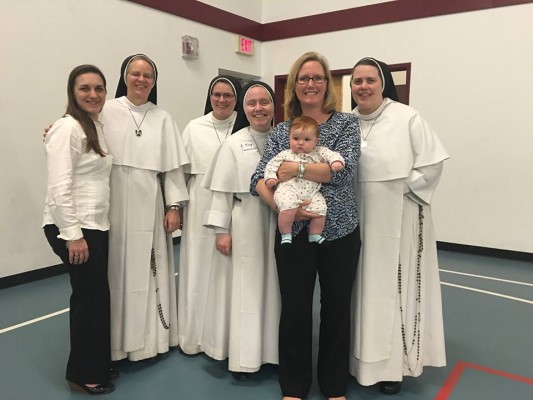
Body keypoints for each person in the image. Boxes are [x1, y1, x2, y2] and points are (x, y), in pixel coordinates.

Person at [251, 52, 361, 400]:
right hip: (293, 234)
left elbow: (343, 173)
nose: (310, 84)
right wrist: (285, 207)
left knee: (336, 309)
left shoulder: (346, 125)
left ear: (327, 84)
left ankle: (333, 386)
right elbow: (258, 179)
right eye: (303, 78)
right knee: (295, 309)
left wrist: (294, 170)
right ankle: (294, 387)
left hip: (340, 230)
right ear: (294, 86)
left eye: (317, 78)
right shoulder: (282, 130)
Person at [349, 57, 449, 394]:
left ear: (383, 83)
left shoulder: (407, 117)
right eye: (357, 81)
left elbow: (432, 166)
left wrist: (399, 188)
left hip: (399, 217)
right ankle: (356, 360)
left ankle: (393, 368)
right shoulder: (346, 122)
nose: (363, 86)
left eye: (370, 80)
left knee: (393, 289)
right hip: (354, 219)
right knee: (357, 288)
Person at [104, 54, 190, 361]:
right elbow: (77, 133)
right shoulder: (105, 110)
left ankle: (151, 342)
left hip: (150, 202)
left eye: (148, 75)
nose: (141, 80)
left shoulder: (163, 117)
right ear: (125, 76)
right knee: (115, 271)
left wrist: (174, 206)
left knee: (150, 270)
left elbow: (172, 170)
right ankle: (114, 343)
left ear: (154, 82)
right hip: (112, 201)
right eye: (135, 73)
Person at [42, 64, 115, 394]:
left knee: (96, 298)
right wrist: (73, 235)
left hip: (95, 225)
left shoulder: (94, 126)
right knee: (89, 299)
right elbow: (60, 186)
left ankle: (94, 364)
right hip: (74, 227)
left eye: (99, 88)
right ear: (73, 92)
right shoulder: (67, 128)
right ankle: (84, 374)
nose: (93, 94)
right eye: (85, 88)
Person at [202, 81, 280, 380]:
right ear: (244, 108)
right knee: (245, 291)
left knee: (275, 289)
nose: (258, 108)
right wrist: (221, 230)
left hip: (278, 222)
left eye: (264, 102)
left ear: (273, 106)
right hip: (245, 220)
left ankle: (272, 351)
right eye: (252, 103)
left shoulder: (285, 138)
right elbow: (221, 192)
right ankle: (245, 357)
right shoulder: (233, 143)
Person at [178, 76, 245, 359]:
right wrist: (175, 208)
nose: (221, 100)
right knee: (197, 268)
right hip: (199, 204)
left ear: (236, 98)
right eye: (216, 95)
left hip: (236, 206)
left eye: (228, 95)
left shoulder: (245, 125)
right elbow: (181, 173)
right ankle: (193, 336)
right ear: (210, 97)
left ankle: (225, 337)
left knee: (227, 273)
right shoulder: (194, 127)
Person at [264, 115, 345, 245]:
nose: (300, 143)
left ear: (315, 141)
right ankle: (285, 234)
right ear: (289, 138)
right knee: (287, 207)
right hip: (289, 189)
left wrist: (336, 161)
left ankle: (314, 234)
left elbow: (332, 155)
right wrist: (271, 178)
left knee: (321, 209)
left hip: (312, 193)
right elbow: (271, 165)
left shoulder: (318, 152)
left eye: (306, 139)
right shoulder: (285, 154)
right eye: (296, 139)